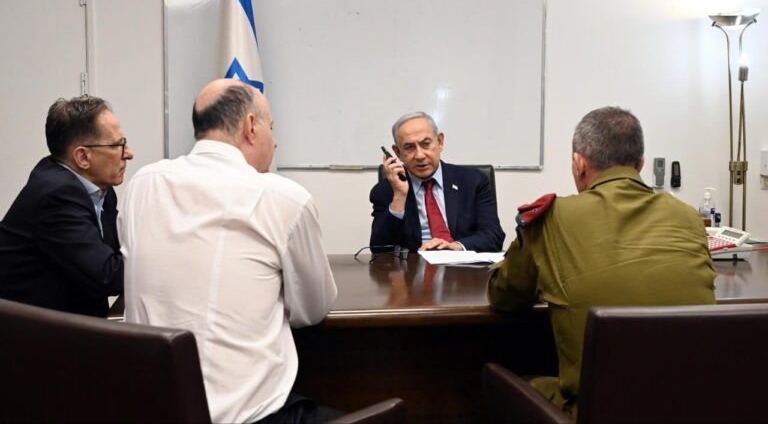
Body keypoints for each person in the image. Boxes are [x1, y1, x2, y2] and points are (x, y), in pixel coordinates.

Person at [119, 79, 339, 424]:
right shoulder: (282, 197)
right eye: (271, 127)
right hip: (249, 417)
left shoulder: (142, 185)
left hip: (152, 409)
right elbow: (312, 309)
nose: (274, 141)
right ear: (251, 126)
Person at [487, 106, 716, 416]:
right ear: (640, 164)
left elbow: (504, 296)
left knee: (499, 381)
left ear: (579, 164)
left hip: (597, 412)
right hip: (692, 410)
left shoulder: (553, 218)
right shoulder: (687, 217)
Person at [0, 96, 132, 317]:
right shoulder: (56, 195)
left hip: (71, 321)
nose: (128, 153)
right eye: (117, 145)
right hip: (29, 330)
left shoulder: (100, 190)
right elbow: (108, 275)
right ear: (82, 157)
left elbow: (118, 252)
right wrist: (165, 253)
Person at [369, 111, 505, 252]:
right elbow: (379, 249)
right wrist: (399, 196)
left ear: (439, 142)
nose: (419, 155)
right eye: (409, 147)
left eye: (426, 144)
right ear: (398, 152)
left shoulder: (473, 181)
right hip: (416, 264)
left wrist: (455, 246)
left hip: (463, 262)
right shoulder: (385, 191)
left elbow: (493, 236)